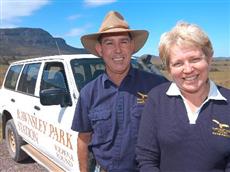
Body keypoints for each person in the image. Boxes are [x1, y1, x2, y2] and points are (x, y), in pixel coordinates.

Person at [71, 11, 168, 172]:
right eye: (109, 43)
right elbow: (83, 138)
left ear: (132, 47)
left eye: (123, 42)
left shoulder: (157, 86)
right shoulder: (88, 93)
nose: (117, 50)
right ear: (100, 49)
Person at [136, 21, 230, 172]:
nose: (188, 69)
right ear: (168, 68)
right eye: (178, 63)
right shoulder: (157, 99)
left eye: (194, 59)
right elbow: (146, 158)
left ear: (209, 59)